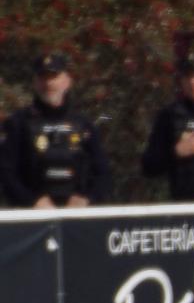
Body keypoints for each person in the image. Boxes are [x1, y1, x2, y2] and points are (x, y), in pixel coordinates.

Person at [0, 53, 111, 208]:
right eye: (43, 77)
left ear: (67, 81)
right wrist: (32, 201)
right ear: (35, 83)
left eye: (54, 77)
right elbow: (6, 173)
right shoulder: (18, 123)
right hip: (32, 218)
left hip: (77, 215)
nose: (48, 83)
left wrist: (86, 198)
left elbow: (102, 172)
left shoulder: (83, 124)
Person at [140, 51, 194, 201]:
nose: (193, 81)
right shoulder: (170, 116)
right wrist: (177, 152)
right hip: (185, 206)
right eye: (188, 76)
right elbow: (148, 166)